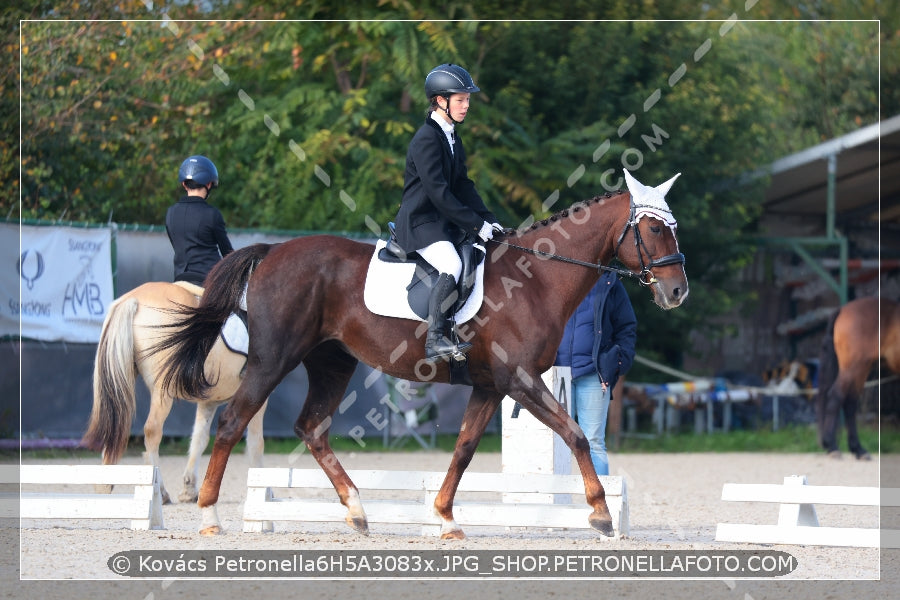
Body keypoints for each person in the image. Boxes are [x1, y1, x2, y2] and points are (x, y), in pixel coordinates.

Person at [392, 63, 503, 361]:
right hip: (420, 222)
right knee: (452, 265)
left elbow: (463, 185)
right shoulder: (427, 138)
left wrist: (489, 219)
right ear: (441, 101)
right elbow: (439, 193)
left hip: (441, 221)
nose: (466, 105)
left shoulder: (451, 133)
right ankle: (435, 339)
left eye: (468, 99)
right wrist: (476, 225)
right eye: (460, 100)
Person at [555, 271, 637, 476]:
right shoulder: (554, 275)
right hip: (555, 374)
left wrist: (616, 365)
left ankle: (601, 503)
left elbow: (626, 327)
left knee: (593, 441)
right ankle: (554, 500)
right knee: (555, 443)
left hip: (594, 375)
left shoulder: (610, 283)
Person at [165, 155, 233, 286]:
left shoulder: (170, 213)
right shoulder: (212, 214)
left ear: (184, 184)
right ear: (208, 184)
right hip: (209, 280)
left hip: (180, 279)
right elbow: (228, 254)